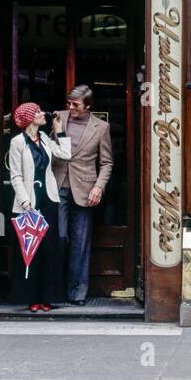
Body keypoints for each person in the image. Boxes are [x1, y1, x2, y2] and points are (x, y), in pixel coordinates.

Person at [53, 84, 114, 306]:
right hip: (57, 185)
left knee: (80, 242)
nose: (71, 107)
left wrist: (99, 187)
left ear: (88, 106)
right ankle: (55, 289)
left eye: (76, 105)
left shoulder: (101, 127)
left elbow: (106, 163)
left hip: (86, 190)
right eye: (68, 103)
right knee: (59, 237)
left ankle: (77, 293)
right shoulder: (58, 117)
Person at [8, 103, 71, 313]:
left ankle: (48, 297)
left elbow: (65, 154)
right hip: (29, 203)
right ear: (28, 119)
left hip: (48, 199)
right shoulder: (17, 143)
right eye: (37, 112)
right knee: (30, 251)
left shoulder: (44, 138)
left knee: (50, 249)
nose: (42, 113)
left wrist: (59, 130)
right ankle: (31, 298)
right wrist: (25, 201)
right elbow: (15, 175)